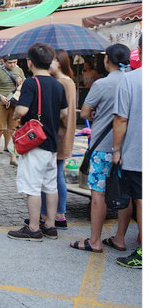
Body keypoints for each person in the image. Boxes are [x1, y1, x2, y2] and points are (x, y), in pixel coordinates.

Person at [71, 43, 130, 254]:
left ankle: (94, 240)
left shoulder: (102, 84)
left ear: (107, 61)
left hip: (104, 147)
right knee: (126, 194)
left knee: (99, 194)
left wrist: (97, 114)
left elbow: (85, 113)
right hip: (129, 148)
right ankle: (120, 238)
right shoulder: (135, 81)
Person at [7, 43, 67, 242]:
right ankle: (50, 225)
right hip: (51, 143)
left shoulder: (31, 83)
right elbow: (64, 114)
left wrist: (16, 113)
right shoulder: (58, 85)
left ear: (29, 63)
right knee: (50, 185)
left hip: (34, 144)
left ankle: (33, 228)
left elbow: (22, 111)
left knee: (32, 187)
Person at [111, 36, 142, 268]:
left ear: (139, 51)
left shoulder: (131, 80)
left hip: (139, 153)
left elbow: (121, 119)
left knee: (142, 201)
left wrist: (116, 149)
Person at [43, 50, 77, 229]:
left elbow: (61, 113)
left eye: (52, 61)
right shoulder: (68, 82)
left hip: (59, 134)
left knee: (55, 176)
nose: (49, 64)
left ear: (60, 63)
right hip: (64, 133)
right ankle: (53, 214)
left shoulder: (62, 83)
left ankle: (59, 214)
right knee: (55, 174)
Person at [0, 55, 25, 169]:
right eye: (9, 63)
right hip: (0, 103)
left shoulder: (19, 70)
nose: (12, 65)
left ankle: (13, 158)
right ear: (3, 62)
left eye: (14, 62)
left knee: (13, 131)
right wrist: (1, 97)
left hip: (14, 103)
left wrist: (20, 83)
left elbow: (23, 87)